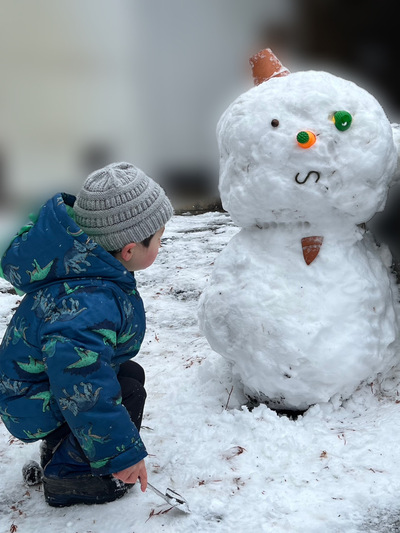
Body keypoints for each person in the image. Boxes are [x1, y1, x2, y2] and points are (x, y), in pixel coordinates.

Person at [0, 162, 173, 507]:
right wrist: (122, 455)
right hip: (28, 404)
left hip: (34, 387)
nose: (160, 246)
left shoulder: (84, 267)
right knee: (128, 392)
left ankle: (61, 447)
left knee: (128, 374)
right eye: (158, 240)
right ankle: (71, 478)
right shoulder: (87, 301)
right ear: (128, 251)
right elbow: (83, 386)